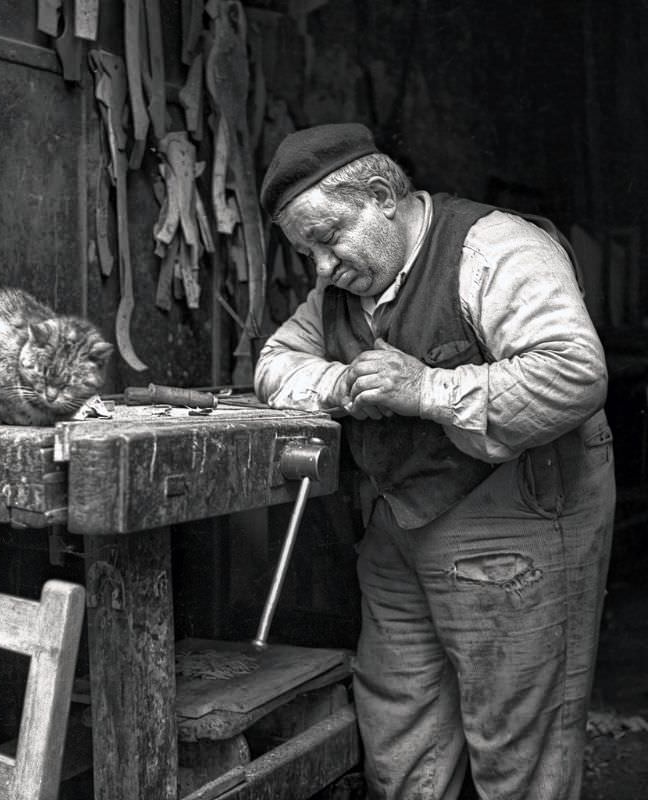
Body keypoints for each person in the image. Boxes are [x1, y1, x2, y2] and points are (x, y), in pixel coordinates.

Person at [254, 122, 615, 800]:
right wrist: (340, 386)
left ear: (383, 197)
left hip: (518, 515)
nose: (321, 268)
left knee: (515, 743)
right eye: (306, 251)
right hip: (402, 524)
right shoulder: (338, 292)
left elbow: (574, 373)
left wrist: (427, 390)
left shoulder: (496, 249)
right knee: (399, 727)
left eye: (329, 239)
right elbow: (275, 362)